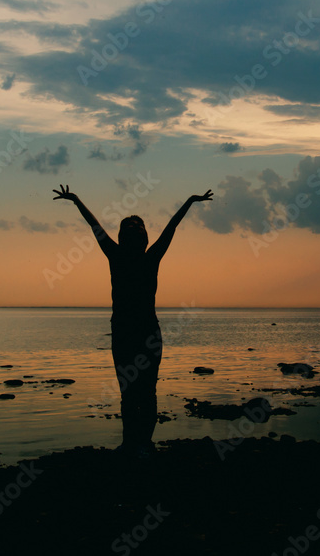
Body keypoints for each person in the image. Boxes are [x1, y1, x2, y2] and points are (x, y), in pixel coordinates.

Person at [53, 184, 213, 457]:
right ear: (121, 236)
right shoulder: (114, 255)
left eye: (137, 227)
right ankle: (130, 443)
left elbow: (171, 227)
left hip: (149, 333)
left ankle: (145, 443)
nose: (133, 229)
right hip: (124, 333)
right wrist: (77, 200)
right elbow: (95, 226)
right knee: (128, 392)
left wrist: (190, 201)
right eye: (128, 227)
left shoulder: (152, 257)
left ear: (145, 236)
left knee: (147, 391)